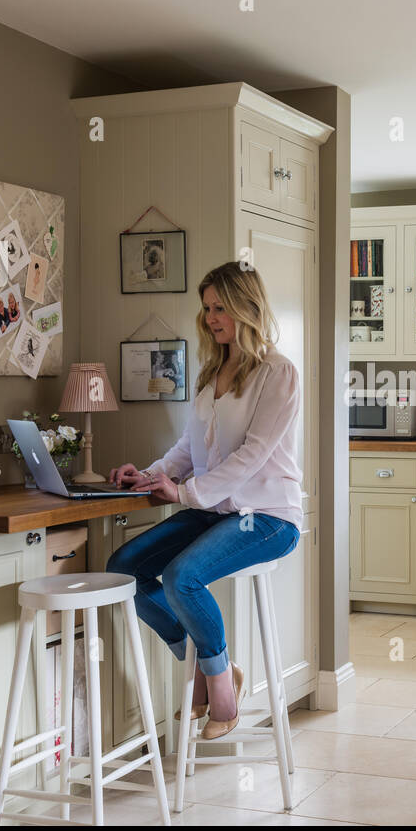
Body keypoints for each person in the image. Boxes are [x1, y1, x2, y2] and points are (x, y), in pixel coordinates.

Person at [107, 262, 302, 740]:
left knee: (182, 577)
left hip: (267, 515)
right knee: (124, 569)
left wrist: (187, 493)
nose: (211, 317)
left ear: (246, 307)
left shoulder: (278, 373)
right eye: (207, 308)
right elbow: (188, 449)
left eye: (221, 308)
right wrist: (149, 476)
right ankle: (209, 662)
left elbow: (254, 454)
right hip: (213, 510)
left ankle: (219, 686)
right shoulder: (212, 370)